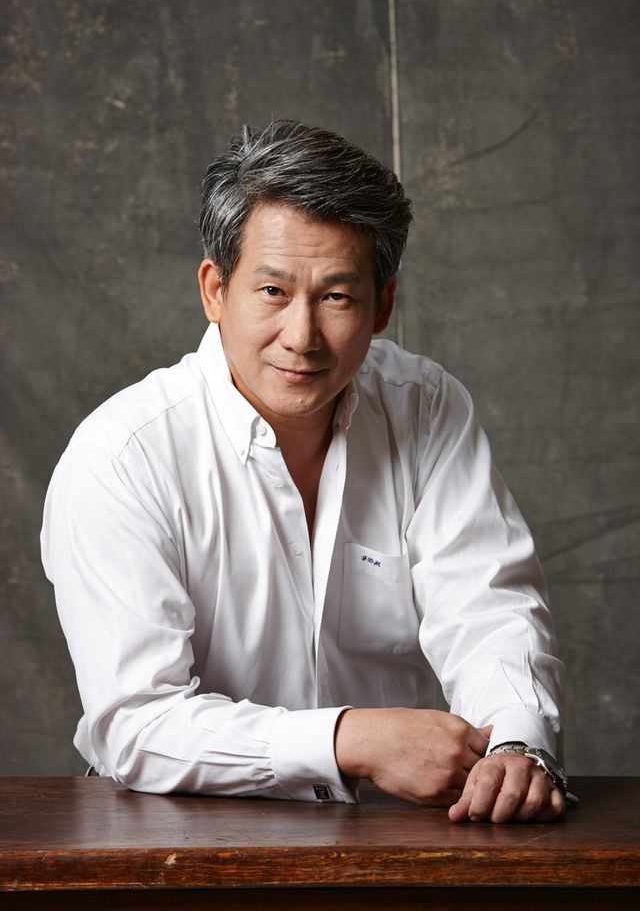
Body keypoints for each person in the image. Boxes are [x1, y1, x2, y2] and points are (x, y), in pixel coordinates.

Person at [41, 119, 569, 823]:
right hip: (170, 833)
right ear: (215, 289)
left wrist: (515, 744)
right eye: (272, 291)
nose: (302, 337)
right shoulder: (122, 456)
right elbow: (136, 723)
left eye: (336, 297)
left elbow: (488, 605)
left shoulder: (424, 406)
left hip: (384, 829)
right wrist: (347, 739)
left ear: (382, 305)